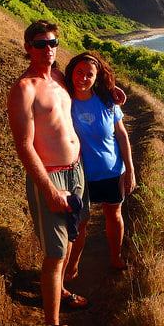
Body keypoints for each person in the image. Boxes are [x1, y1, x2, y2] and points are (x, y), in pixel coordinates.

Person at [7, 20, 89, 326]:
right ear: (28, 47)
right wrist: (49, 190)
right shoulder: (23, 90)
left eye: (52, 43)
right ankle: (51, 324)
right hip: (51, 176)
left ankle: (62, 290)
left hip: (76, 170)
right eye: (41, 44)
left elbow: (87, 82)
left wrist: (111, 93)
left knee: (70, 238)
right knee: (55, 255)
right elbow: (25, 146)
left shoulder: (59, 77)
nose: (48, 49)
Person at [63, 51, 136, 280]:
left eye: (89, 75)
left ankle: (116, 257)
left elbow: (122, 135)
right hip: (80, 174)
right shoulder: (64, 99)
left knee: (113, 215)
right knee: (81, 222)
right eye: (79, 72)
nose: (83, 78)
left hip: (112, 172)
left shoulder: (107, 100)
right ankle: (72, 267)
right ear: (71, 72)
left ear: (97, 78)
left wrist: (130, 170)